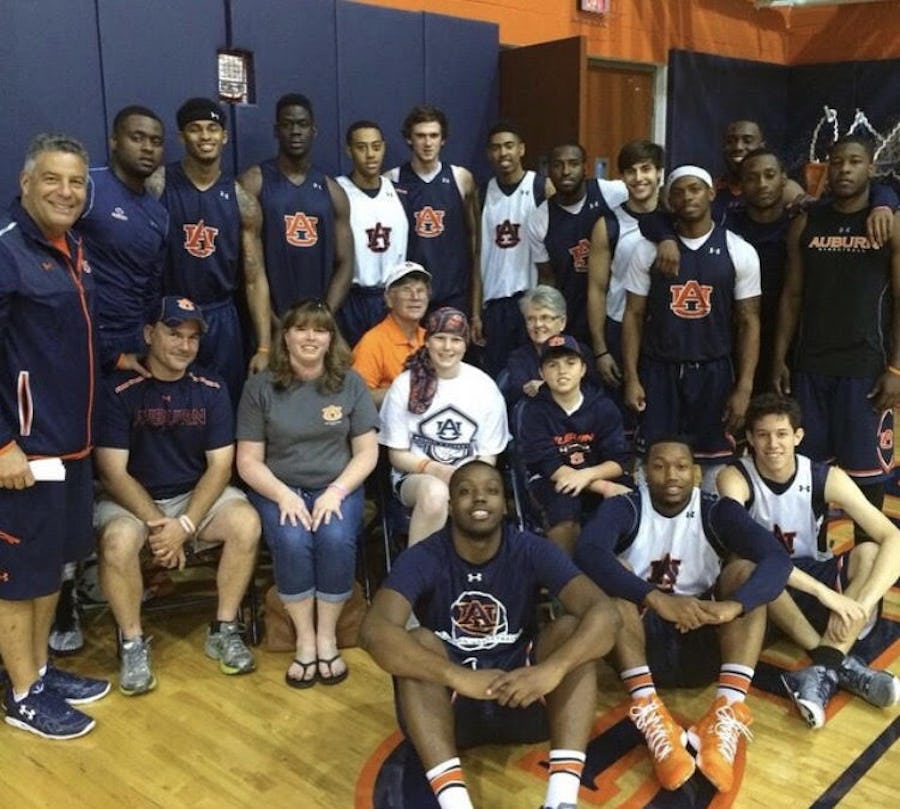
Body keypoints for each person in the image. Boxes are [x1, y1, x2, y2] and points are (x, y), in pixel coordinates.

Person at [360, 461, 622, 809]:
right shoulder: (424, 555)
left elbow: (605, 613)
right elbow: (374, 630)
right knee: (418, 642)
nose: (479, 498)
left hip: (524, 694)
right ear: (450, 505)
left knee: (571, 631)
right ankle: (456, 804)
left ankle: (561, 800)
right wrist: (457, 676)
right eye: (465, 491)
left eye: (491, 490)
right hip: (449, 708)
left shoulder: (531, 547)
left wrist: (552, 669)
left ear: (505, 504)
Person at [575, 438, 791, 793]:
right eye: (659, 466)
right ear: (643, 473)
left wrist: (734, 606)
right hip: (640, 643)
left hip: (704, 635)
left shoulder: (717, 511)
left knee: (745, 573)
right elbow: (588, 552)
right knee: (612, 580)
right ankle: (650, 711)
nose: (671, 475)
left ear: (696, 473)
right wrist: (655, 598)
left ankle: (726, 709)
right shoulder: (624, 507)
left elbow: (777, 559)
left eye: (681, 466)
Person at [0, 133, 110, 740]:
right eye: (52, 179)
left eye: (75, 182)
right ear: (25, 183)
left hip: (71, 445)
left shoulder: (74, 248)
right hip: (25, 451)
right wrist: (2, 444)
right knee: (19, 578)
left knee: (49, 571)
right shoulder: (7, 250)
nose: (66, 192)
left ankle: (38, 671)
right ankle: (21, 695)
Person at [94, 296, 261, 695]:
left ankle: (224, 628)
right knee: (118, 541)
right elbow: (113, 473)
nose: (185, 346)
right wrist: (160, 526)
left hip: (193, 498)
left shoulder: (212, 387)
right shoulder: (118, 389)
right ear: (149, 334)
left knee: (246, 522)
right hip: (132, 502)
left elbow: (220, 467)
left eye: (192, 337)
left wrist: (184, 525)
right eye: (174, 334)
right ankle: (132, 642)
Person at [49, 105, 170, 657]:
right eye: (136, 137)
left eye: (155, 140)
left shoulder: (157, 214)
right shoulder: (90, 191)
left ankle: (131, 570)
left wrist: (142, 344)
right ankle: (63, 596)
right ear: (114, 141)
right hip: (77, 357)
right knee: (68, 477)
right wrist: (106, 351)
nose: (147, 147)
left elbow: (149, 289)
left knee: (119, 466)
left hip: (131, 358)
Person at [717, 393, 900, 728]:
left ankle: (821, 668)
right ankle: (832, 660)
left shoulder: (824, 476)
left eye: (782, 434)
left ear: (798, 436)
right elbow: (759, 552)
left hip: (812, 576)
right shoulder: (734, 478)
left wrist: (860, 604)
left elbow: (893, 537)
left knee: (869, 552)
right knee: (751, 568)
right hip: (769, 594)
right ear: (751, 439)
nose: (773, 444)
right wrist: (826, 594)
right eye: (763, 435)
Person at [237, 298, 378, 688]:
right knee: (292, 539)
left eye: (320, 330)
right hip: (278, 487)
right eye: (301, 329)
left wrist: (337, 491)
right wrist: (284, 495)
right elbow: (248, 461)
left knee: (334, 537)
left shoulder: (350, 383)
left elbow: (367, 452)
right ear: (286, 336)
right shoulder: (260, 387)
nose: (310, 337)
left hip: (338, 486)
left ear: (331, 338)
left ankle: (327, 636)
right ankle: (304, 638)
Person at [772, 135, 900, 540]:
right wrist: (780, 358)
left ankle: (871, 572)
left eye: (855, 161)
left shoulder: (890, 224)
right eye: (838, 161)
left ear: (871, 169)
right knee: (808, 480)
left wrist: (897, 369)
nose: (845, 169)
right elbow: (791, 295)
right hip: (811, 368)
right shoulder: (807, 222)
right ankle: (815, 564)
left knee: (866, 484)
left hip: (865, 372)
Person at [622, 165, 761, 492]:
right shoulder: (647, 250)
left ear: (711, 193)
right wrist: (632, 377)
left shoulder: (738, 250)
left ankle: (714, 523)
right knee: (654, 462)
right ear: (669, 200)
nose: (687, 197)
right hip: (660, 371)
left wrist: (744, 386)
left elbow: (749, 321)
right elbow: (633, 315)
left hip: (714, 372)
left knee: (716, 467)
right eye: (679, 191)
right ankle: (649, 523)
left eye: (695, 189)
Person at [150, 97, 271, 405]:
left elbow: (254, 278)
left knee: (222, 404)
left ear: (224, 136)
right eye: (195, 129)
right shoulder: (158, 185)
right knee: (170, 405)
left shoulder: (241, 199)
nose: (205, 136)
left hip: (221, 319)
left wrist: (264, 346)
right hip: (171, 316)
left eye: (212, 128)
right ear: (182, 137)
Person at [379, 307, 508, 546]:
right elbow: (397, 455)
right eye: (440, 338)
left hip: (470, 475)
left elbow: (488, 455)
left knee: (477, 498)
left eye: (456, 340)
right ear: (427, 341)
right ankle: (418, 567)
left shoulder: (484, 387)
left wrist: (464, 479)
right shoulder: (404, 385)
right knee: (435, 493)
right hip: (415, 475)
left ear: (465, 345)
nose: (447, 347)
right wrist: (434, 469)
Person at [239, 93, 353, 320]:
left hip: (317, 322)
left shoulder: (332, 190)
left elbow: (345, 263)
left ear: (313, 130)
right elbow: (244, 264)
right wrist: (271, 322)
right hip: (267, 320)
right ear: (276, 130)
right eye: (287, 124)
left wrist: (324, 316)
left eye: (302, 124)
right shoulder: (253, 182)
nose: (295, 131)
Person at [520, 334, 630, 554]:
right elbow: (547, 464)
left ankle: (612, 568)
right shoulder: (534, 411)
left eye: (570, 363)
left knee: (624, 504)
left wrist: (586, 476)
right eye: (553, 365)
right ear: (541, 373)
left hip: (598, 473)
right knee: (564, 511)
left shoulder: (603, 407)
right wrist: (603, 487)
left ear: (583, 369)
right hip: (552, 480)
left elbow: (619, 461)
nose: (562, 371)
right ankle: (568, 574)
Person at [587, 139, 664, 423]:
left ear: (659, 173)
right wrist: (601, 350)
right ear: (622, 177)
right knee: (622, 420)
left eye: (646, 169)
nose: (639, 177)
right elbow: (597, 290)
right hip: (619, 327)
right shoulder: (608, 224)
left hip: (665, 332)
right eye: (631, 171)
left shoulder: (678, 219)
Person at [527, 142, 626, 345]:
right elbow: (547, 278)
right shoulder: (540, 218)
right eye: (558, 165)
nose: (566, 171)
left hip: (615, 311)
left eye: (573, 164)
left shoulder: (610, 193)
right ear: (548, 170)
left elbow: (652, 198)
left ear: (585, 168)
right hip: (571, 315)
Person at [388, 105, 480, 318]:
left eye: (434, 136)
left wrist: (475, 307)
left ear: (443, 139)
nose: (428, 143)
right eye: (420, 136)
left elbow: (475, 242)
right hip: (411, 294)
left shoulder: (461, 178)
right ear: (409, 139)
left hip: (454, 293)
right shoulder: (392, 180)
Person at [477, 121, 551, 374]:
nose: (503, 153)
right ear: (489, 153)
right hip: (495, 303)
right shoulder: (482, 193)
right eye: (496, 147)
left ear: (521, 149)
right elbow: (477, 254)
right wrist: (476, 312)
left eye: (509, 146)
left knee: (536, 375)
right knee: (498, 377)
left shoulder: (540, 186)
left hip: (532, 299)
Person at [335, 120, 408, 346]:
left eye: (376, 147)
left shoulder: (398, 190)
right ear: (349, 151)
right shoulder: (337, 190)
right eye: (361, 147)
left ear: (384, 148)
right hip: (352, 298)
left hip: (392, 296)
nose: (370, 155)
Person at [727, 148, 792, 394]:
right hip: (735, 340)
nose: (762, 184)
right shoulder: (725, 224)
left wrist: (884, 203)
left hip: (788, 342)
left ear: (784, 178)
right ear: (741, 184)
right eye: (752, 178)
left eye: (770, 175)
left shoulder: (801, 223)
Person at [499, 285, 597, 408]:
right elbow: (519, 391)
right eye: (531, 319)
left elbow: (593, 391)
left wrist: (545, 387)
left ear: (562, 322)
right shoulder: (519, 358)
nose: (538, 324)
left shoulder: (580, 351)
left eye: (545, 318)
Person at [352, 261, 430, 408]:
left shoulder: (431, 339)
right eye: (406, 290)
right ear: (389, 299)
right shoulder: (373, 341)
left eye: (420, 290)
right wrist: (409, 392)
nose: (415, 297)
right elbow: (357, 397)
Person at [713, 119, 807, 224]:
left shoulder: (786, 190)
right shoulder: (712, 189)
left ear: (761, 146)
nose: (738, 147)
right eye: (730, 141)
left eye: (747, 141)